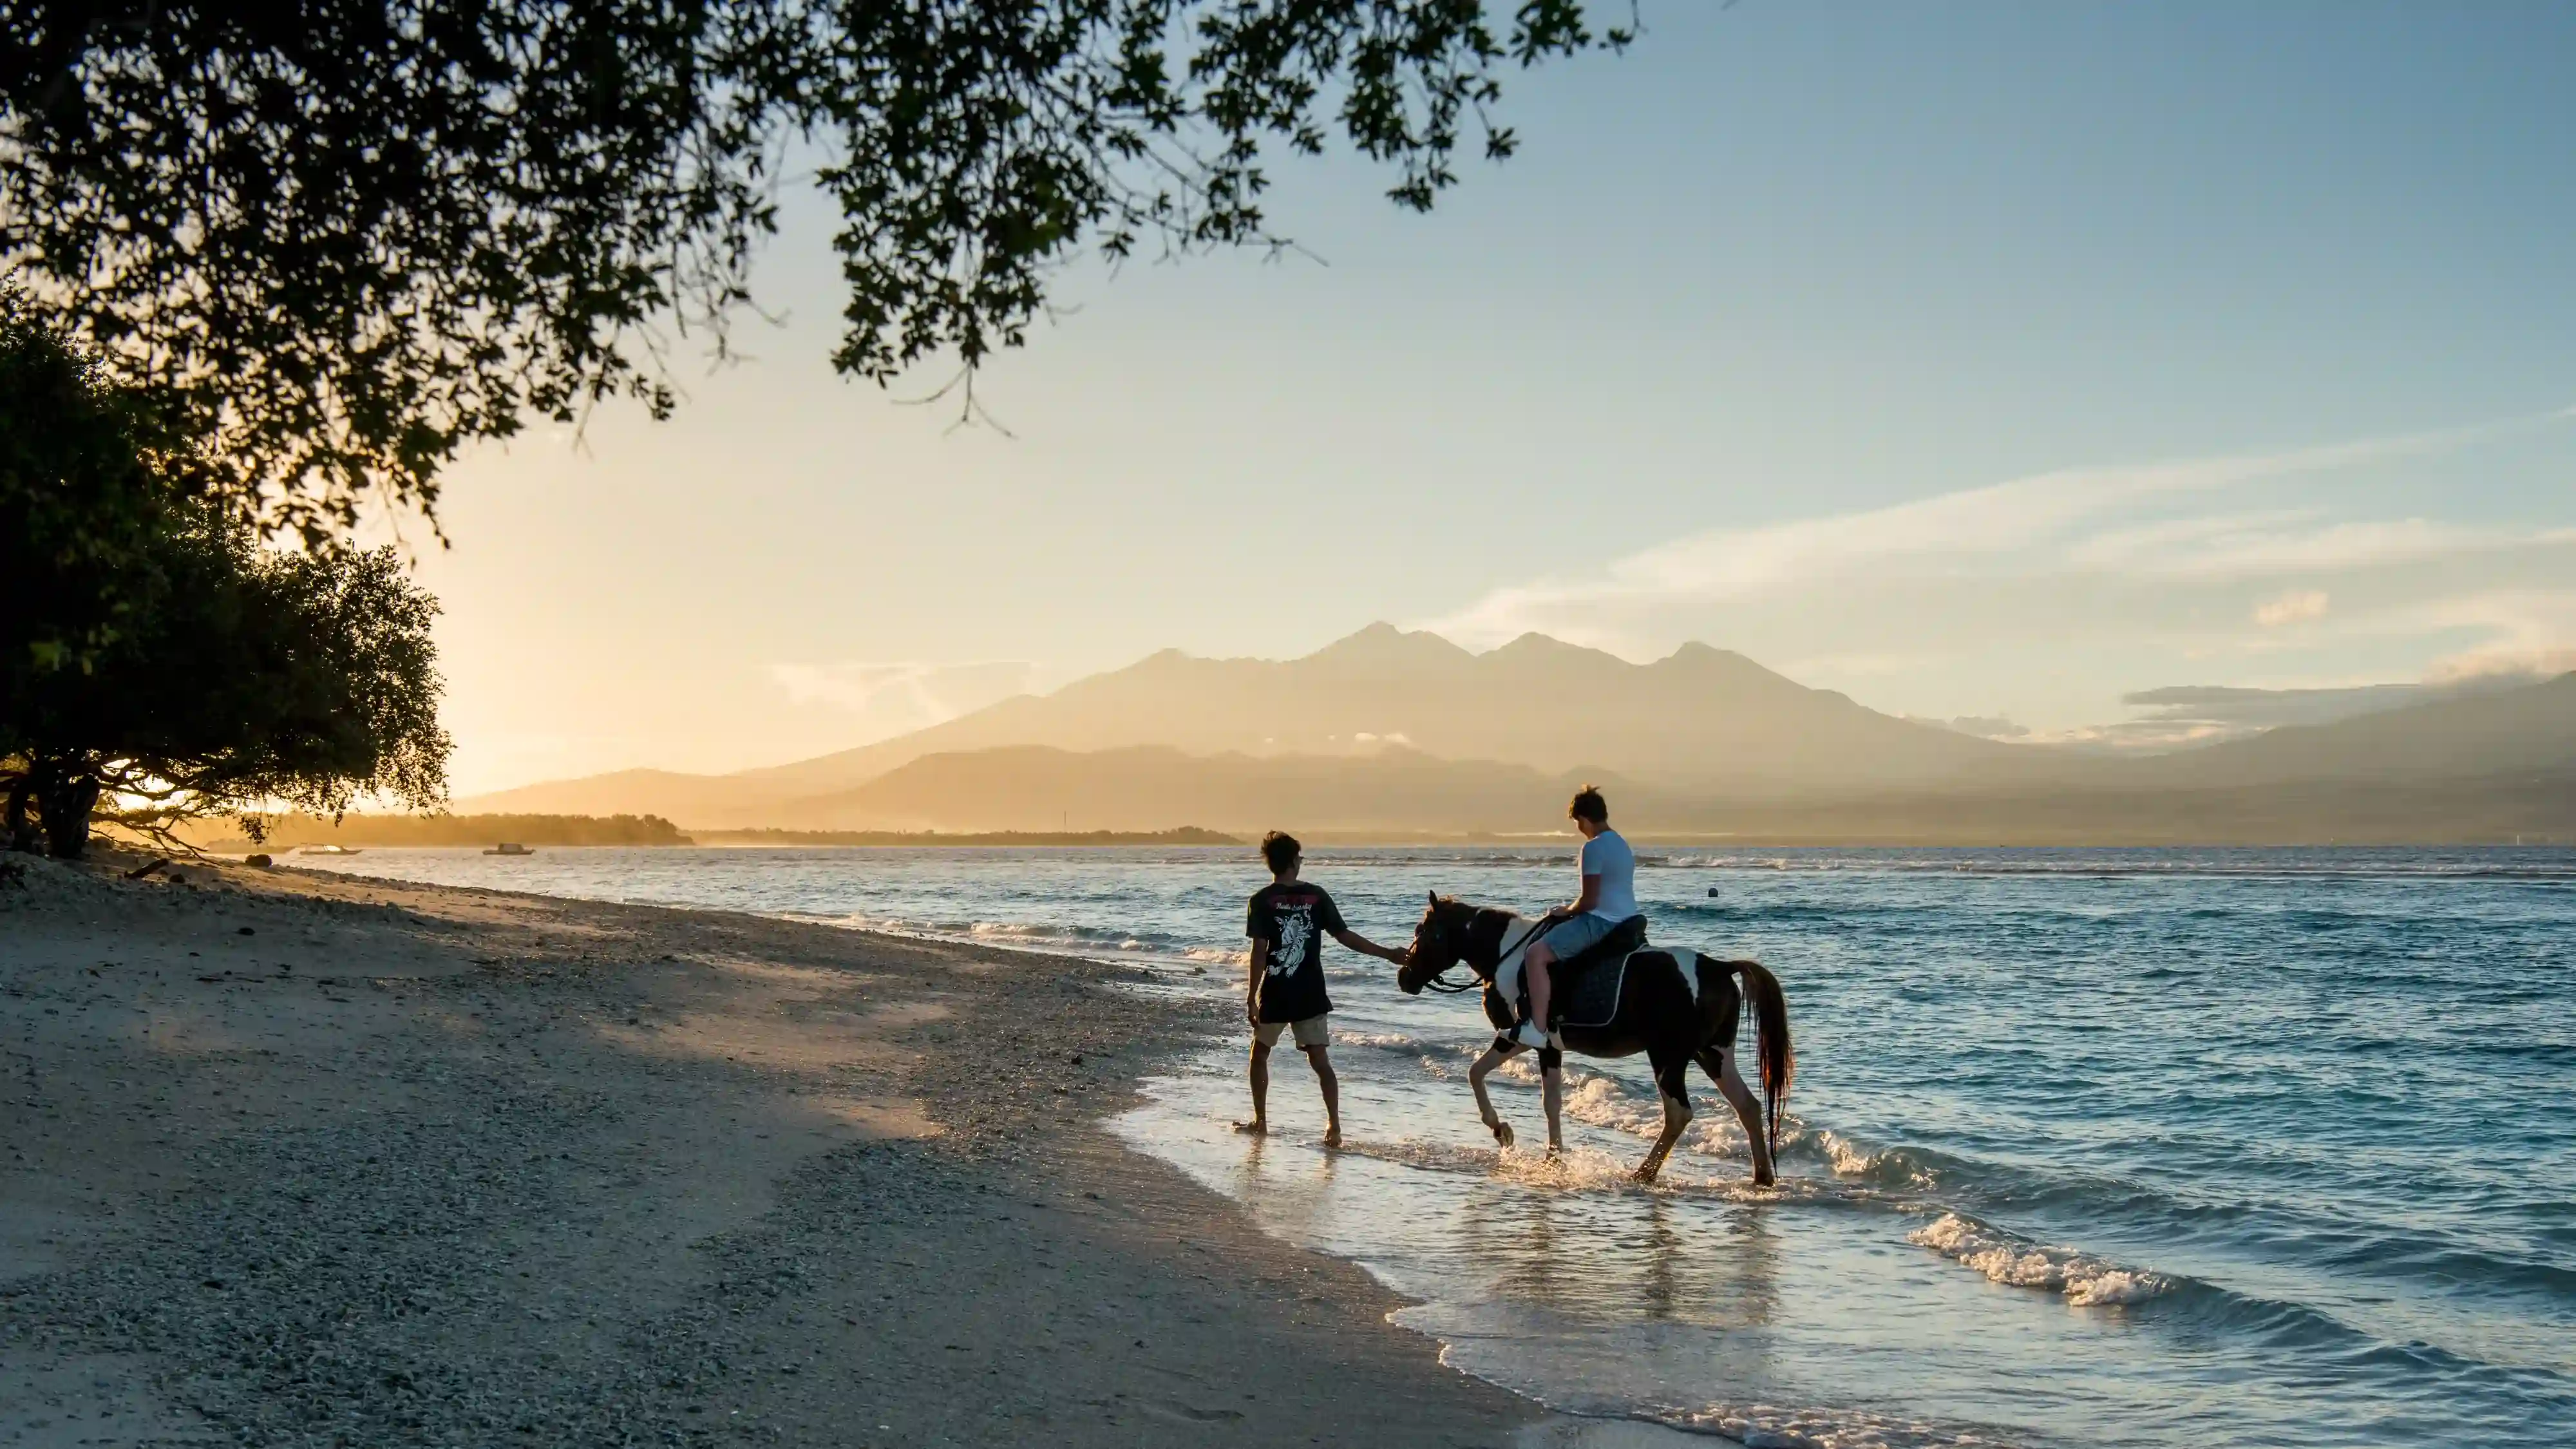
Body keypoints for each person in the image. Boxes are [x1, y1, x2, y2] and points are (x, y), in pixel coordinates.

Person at [1238, 829, 1410, 1147]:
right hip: (1310, 992)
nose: (1301, 862)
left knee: (1259, 1054)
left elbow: (1259, 952)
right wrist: (1387, 954)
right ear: (1293, 861)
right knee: (1320, 1061)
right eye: (1300, 858)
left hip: (1275, 991)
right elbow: (1344, 936)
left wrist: (1251, 997)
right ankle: (1334, 1126)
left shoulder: (1261, 900)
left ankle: (1261, 1122)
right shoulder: (1316, 896)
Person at [1513, 784, 1640, 1050]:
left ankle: (1536, 1028)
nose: (1579, 830)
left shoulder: (1593, 848)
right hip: (1627, 919)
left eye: (1577, 824)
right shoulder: (1622, 844)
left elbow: (1589, 901)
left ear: (1582, 819)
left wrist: (1565, 911)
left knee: (1536, 955)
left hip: (1601, 921)